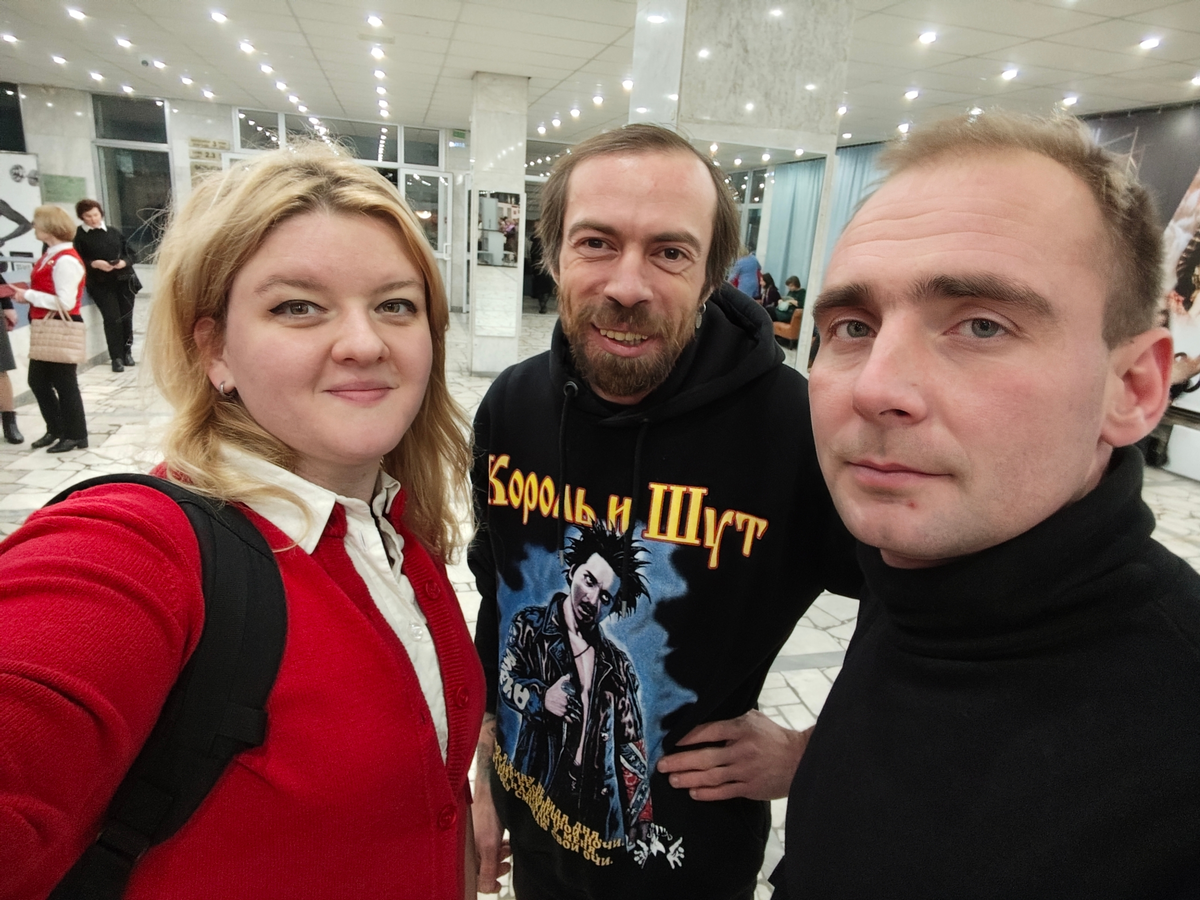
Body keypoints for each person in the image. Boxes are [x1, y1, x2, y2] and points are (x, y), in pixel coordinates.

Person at [0, 145, 485, 899]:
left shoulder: (392, 527)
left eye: (396, 305)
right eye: (297, 306)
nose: (365, 343)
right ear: (215, 349)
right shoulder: (139, 549)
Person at [772, 112, 1200, 899]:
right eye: (853, 326)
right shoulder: (915, 571)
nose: (874, 387)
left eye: (980, 325)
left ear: (1134, 388)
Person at [470, 123, 859, 900]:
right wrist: (484, 766)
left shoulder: (797, 428)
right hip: (534, 833)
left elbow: (923, 622)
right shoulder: (512, 405)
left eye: (670, 252)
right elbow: (495, 596)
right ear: (552, 255)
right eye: (596, 243)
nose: (627, 286)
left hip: (688, 866)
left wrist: (817, 751)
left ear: (713, 275)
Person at [499, 522, 655, 849]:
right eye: (589, 580)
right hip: (541, 780)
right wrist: (542, 698)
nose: (593, 598)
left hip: (595, 800)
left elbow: (631, 739)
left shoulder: (617, 665)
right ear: (572, 572)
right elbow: (506, 681)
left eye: (606, 597)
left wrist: (640, 813)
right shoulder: (531, 627)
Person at [12, 205, 89, 453]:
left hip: (60, 325)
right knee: (38, 381)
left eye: (37, 222)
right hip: (47, 325)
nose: (34, 226)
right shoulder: (50, 255)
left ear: (50, 227)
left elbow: (66, 302)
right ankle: (57, 429)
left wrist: (29, 295)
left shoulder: (65, 259)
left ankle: (75, 434)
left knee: (65, 383)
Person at [73, 198, 138, 372]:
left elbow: (132, 254)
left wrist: (124, 262)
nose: (93, 219)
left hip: (123, 279)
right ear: (82, 217)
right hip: (100, 283)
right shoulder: (79, 236)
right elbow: (76, 260)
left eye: (96, 215)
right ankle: (116, 357)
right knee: (112, 318)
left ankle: (127, 352)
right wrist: (94, 264)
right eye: (88, 216)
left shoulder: (113, 232)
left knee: (126, 317)